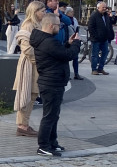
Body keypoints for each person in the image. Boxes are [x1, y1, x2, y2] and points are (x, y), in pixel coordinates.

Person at [30, 12, 80, 156]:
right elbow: (68, 55)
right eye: (58, 25)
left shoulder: (47, 40)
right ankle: (43, 145)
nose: (60, 28)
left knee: (54, 115)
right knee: (49, 115)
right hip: (51, 82)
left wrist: (68, 43)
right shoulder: (48, 42)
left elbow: (59, 53)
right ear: (51, 26)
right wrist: (76, 43)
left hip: (53, 81)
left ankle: (52, 142)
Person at [12, 0, 46, 137]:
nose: (44, 13)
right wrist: (39, 61)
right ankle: (22, 126)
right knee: (26, 94)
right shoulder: (28, 26)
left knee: (32, 95)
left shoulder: (37, 25)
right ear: (35, 11)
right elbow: (26, 48)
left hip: (34, 65)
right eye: (42, 11)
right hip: (29, 65)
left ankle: (24, 124)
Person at [88, 1, 115, 76]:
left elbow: (110, 24)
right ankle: (94, 69)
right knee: (95, 54)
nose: (104, 9)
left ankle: (101, 68)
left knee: (105, 53)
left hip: (104, 39)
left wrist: (113, 16)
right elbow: (90, 27)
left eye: (105, 7)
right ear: (98, 8)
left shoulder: (106, 15)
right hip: (96, 39)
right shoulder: (94, 15)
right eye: (103, 7)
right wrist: (95, 36)